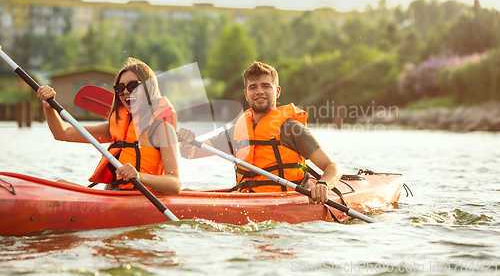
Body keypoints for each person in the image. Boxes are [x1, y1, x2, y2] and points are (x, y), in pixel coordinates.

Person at [178, 61, 342, 204]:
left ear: (277, 92)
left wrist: (323, 184)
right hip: (245, 201)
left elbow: (332, 167)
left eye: (266, 86)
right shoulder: (237, 131)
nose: (259, 91)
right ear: (246, 94)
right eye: (253, 87)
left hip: (285, 201)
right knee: (185, 192)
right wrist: (186, 142)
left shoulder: (292, 129)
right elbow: (191, 153)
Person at [37, 58, 181, 194]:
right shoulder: (115, 128)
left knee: (60, 188)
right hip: (113, 195)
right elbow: (63, 133)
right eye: (120, 88)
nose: (125, 91)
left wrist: (138, 176)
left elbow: (175, 183)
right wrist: (49, 107)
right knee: (60, 185)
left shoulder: (162, 129)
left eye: (132, 86)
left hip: (141, 198)